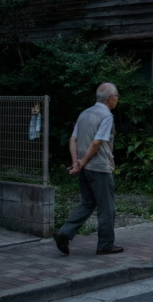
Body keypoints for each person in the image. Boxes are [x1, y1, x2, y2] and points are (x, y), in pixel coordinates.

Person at [54, 82, 122, 256]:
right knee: (106, 208)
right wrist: (82, 162)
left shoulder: (84, 114)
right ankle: (105, 244)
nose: (117, 100)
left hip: (85, 169)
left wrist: (76, 161)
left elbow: (73, 140)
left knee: (87, 203)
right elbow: (97, 142)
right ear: (111, 98)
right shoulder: (106, 116)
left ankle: (65, 232)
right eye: (117, 97)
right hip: (99, 167)